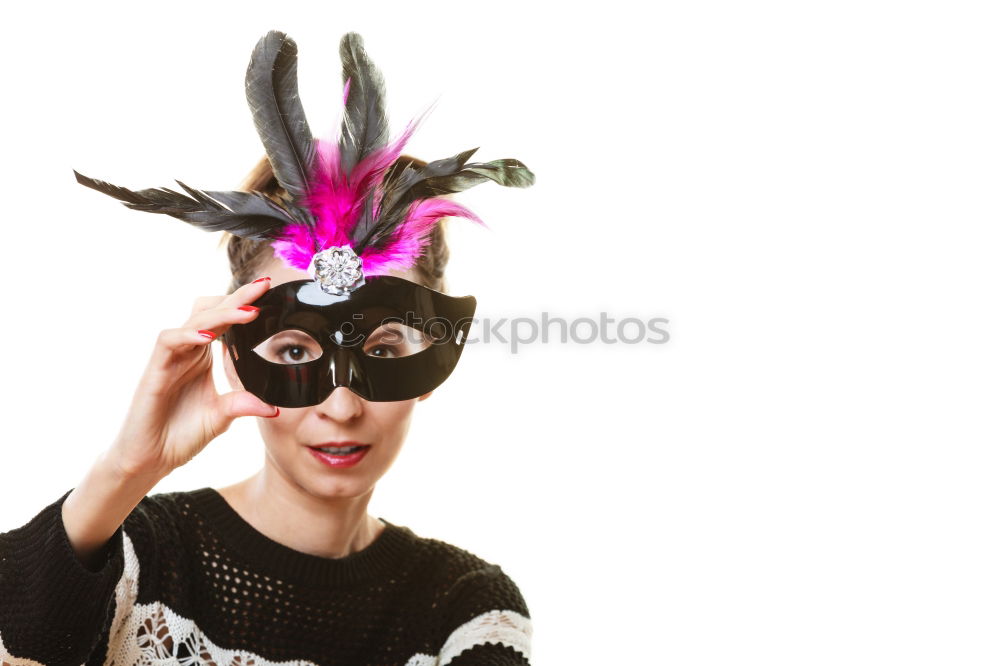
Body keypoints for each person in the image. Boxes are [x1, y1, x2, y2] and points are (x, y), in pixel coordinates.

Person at [0, 30, 534, 665]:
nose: (340, 409)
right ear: (232, 355)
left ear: (437, 356)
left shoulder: (467, 608)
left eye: (385, 351)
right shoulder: (134, 560)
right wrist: (125, 471)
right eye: (293, 353)